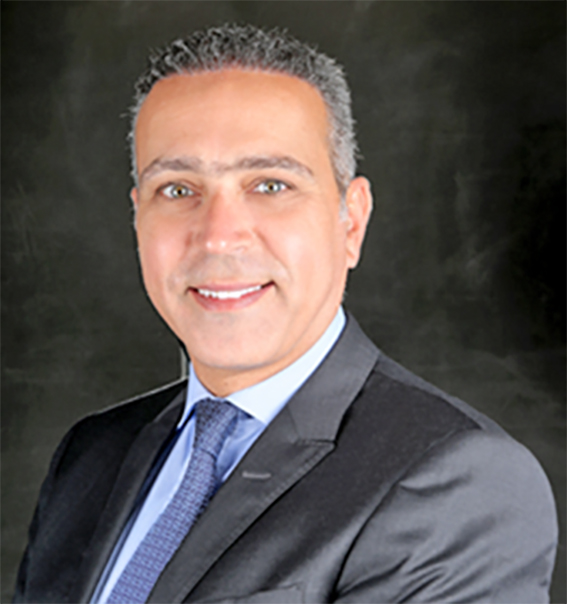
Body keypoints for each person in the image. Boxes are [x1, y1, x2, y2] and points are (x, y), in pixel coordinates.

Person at [14, 24, 558, 604]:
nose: (218, 237)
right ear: (137, 218)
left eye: (270, 185)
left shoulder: (459, 483)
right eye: (176, 190)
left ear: (351, 222)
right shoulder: (89, 456)